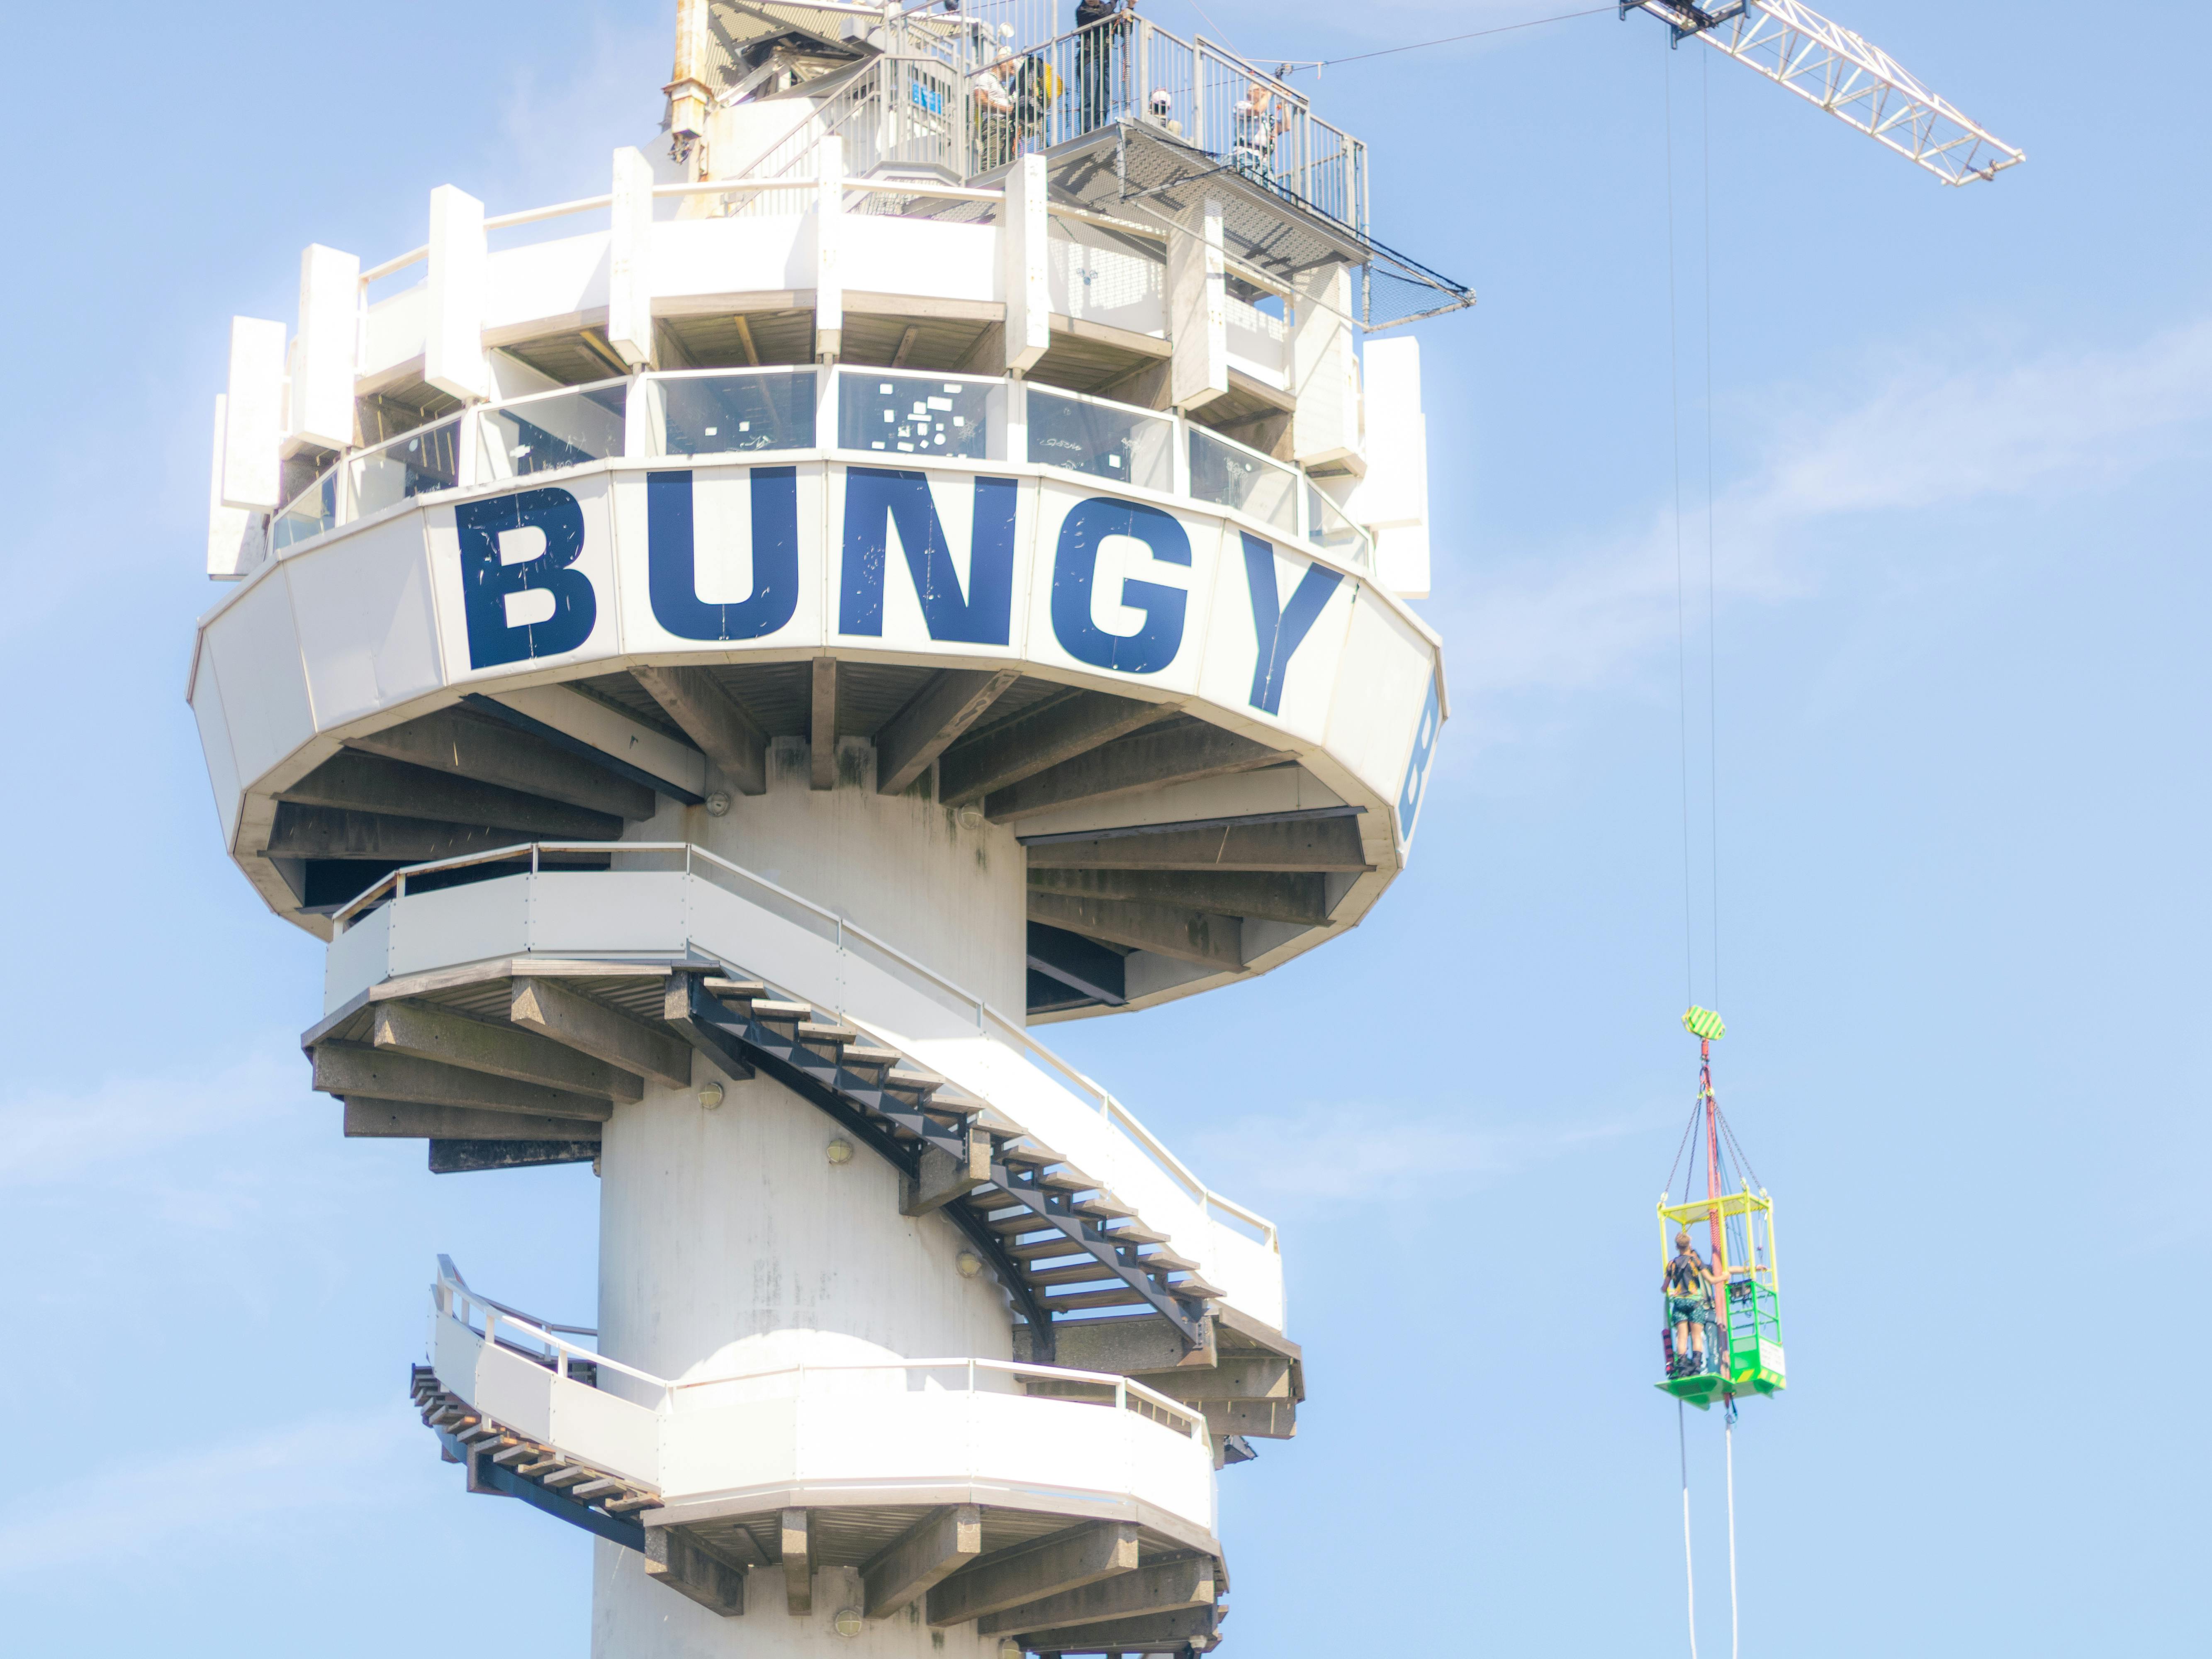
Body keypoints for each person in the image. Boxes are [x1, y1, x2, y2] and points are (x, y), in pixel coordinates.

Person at [1075, 0, 1135, 132]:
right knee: (1089, 98)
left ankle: (1098, 128)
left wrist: (1130, 9)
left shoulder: (1105, 9)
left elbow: (1125, 32)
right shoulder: (1083, 11)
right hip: (1088, 59)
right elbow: (1104, 15)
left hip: (1104, 60)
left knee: (1103, 99)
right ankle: (1087, 131)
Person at [1663, 1229, 1716, 1376]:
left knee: (1682, 1337)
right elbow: (1711, 1279)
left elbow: (1664, 1287)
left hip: (1680, 1302)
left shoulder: (1672, 1264)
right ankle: (1697, 1366)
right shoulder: (1694, 1261)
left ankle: (1682, 1366)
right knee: (1697, 1336)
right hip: (1695, 1303)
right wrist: (1724, 1277)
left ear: (1677, 1247)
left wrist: (1671, 1291)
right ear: (1690, 1245)